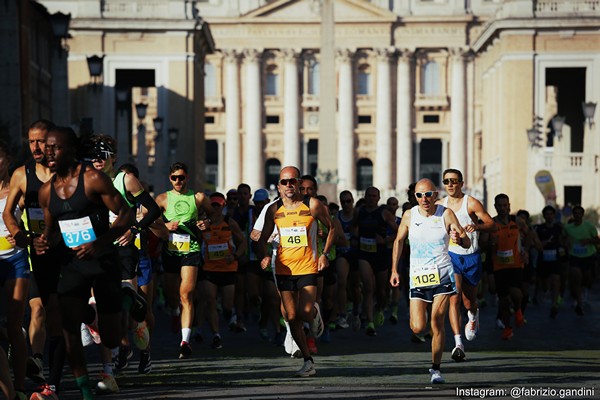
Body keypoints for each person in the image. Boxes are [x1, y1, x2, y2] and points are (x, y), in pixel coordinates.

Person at [33, 126, 135, 400]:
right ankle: (86, 391)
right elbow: (52, 232)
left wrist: (101, 243)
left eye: (56, 147)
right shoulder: (46, 191)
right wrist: (42, 242)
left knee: (112, 339)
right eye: (47, 147)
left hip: (103, 262)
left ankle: (126, 302)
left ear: (72, 150)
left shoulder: (93, 179)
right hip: (73, 265)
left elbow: (126, 214)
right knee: (68, 328)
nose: (49, 152)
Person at [3, 120, 67, 400]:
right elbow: (8, 213)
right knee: (39, 311)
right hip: (35, 251)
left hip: (66, 251)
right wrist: (20, 233)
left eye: (41, 141)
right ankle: (38, 372)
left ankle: (50, 382)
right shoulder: (23, 174)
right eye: (31, 142)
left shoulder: (68, 172)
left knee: (58, 317)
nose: (36, 147)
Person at [256, 166, 335, 377]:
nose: (289, 185)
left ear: (299, 183)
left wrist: (325, 254)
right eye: (284, 182)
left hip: (308, 266)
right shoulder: (274, 210)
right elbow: (262, 237)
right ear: (279, 186)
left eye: (292, 181)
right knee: (291, 316)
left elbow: (332, 228)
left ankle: (315, 313)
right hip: (283, 269)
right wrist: (263, 255)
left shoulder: (313, 205)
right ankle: (308, 361)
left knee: (305, 312)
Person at [390, 178, 471, 384]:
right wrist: (394, 270)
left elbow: (466, 241)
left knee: (437, 322)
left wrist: (458, 238)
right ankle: (427, 343)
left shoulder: (445, 213)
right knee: (418, 327)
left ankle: (436, 369)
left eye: (428, 194)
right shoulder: (409, 215)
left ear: (435, 195)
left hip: (443, 275)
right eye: (419, 195)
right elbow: (399, 241)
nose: (424, 199)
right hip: (418, 277)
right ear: (414, 197)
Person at [155, 161, 215, 359]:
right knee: (173, 296)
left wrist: (206, 222)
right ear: (170, 179)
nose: (178, 181)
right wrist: (164, 227)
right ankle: (173, 311)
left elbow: (213, 215)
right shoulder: (162, 199)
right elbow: (149, 222)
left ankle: (185, 341)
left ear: (187, 177)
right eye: (174, 178)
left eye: (181, 177)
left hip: (191, 249)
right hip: (170, 252)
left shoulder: (198, 197)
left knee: (186, 293)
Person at [437, 169, 495, 362]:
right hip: (451, 256)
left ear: (461, 183)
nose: (450, 184)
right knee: (454, 298)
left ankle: (473, 315)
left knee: (469, 301)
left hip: (470, 256)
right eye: (446, 181)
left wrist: (476, 226)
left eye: (454, 181)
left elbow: (491, 224)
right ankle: (458, 343)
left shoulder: (471, 203)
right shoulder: (440, 206)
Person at [0, 140, 31, 400]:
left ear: (7, 159)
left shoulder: (17, 188)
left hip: (16, 261)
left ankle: (19, 388)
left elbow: (39, 218)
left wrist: (22, 234)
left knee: (14, 326)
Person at [197, 192, 246, 349]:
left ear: (223, 206)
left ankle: (229, 315)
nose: (215, 209)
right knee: (210, 300)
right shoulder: (203, 225)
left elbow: (243, 243)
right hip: (209, 269)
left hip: (228, 269)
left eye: (218, 205)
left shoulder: (230, 223)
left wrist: (236, 256)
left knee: (226, 306)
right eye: (213, 206)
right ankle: (216, 335)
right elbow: (196, 242)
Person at [353, 186, 398, 336]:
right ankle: (370, 323)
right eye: (369, 195)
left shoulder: (384, 213)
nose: (371, 198)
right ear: (365, 197)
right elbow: (353, 227)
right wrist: (355, 237)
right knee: (368, 288)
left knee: (381, 290)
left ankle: (380, 307)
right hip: (364, 253)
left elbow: (399, 232)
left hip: (381, 254)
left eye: (374, 196)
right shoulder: (359, 211)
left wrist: (385, 240)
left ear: (378, 198)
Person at [490, 194, 528, 340]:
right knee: (504, 301)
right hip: (499, 267)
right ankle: (507, 328)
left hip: (515, 264)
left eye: (505, 205)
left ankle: (518, 310)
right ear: (495, 207)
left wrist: (526, 251)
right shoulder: (492, 224)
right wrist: (491, 243)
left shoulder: (517, 221)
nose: (503, 208)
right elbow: (483, 243)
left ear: (509, 206)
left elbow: (529, 234)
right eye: (500, 205)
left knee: (517, 294)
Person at [564, 205, 599, 316]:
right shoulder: (568, 227)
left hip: (588, 256)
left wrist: (589, 240)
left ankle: (584, 291)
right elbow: (562, 237)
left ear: (583, 215)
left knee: (587, 278)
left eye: (580, 213)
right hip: (575, 256)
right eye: (576, 213)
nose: (578, 215)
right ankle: (580, 304)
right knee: (577, 277)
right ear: (573, 215)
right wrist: (566, 243)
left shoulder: (589, 226)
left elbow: (597, 240)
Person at [534, 205, 567, 318]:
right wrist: (540, 244)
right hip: (543, 259)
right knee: (544, 284)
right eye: (547, 214)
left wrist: (564, 247)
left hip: (556, 259)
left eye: (551, 214)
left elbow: (564, 239)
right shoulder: (539, 228)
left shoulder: (559, 228)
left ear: (554, 215)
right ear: (544, 216)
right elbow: (535, 242)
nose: (549, 216)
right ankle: (547, 292)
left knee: (555, 279)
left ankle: (554, 305)